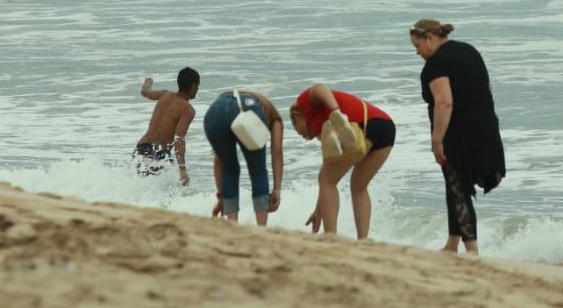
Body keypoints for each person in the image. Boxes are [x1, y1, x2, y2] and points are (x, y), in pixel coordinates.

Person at [410, 19, 506, 255]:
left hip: (458, 133)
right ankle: (452, 243)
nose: (417, 52)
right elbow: (488, 87)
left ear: (429, 38)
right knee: (455, 187)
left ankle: (471, 250)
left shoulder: (435, 64)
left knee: (458, 188)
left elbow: (444, 102)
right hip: (486, 127)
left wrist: (437, 140)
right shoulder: (469, 50)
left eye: (417, 46)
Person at [289, 83, 396, 239]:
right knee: (358, 187)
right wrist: (320, 209)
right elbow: (328, 179)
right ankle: (363, 240)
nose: (304, 138)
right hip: (385, 127)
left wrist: (335, 112)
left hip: (359, 125)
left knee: (327, 180)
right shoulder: (328, 132)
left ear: (297, 117)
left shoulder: (303, 104)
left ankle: (331, 237)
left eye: (297, 130)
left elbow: (319, 88)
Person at [203, 88, 285, 226]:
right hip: (249, 107)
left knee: (230, 169)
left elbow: (218, 161)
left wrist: (222, 196)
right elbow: (277, 150)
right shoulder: (276, 117)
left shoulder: (258, 101)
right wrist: (277, 190)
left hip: (215, 111)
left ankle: (233, 226)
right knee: (258, 171)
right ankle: (261, 229)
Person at [136, 67, 199, 185]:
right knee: (165, 193)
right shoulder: (187, 109)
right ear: (193, 86)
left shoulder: (165, 94)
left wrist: (148, 83)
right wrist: (182, 170)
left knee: (141, 188)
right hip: (158, 153)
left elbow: (144, 92)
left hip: (141, 148)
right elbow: (179, 139)